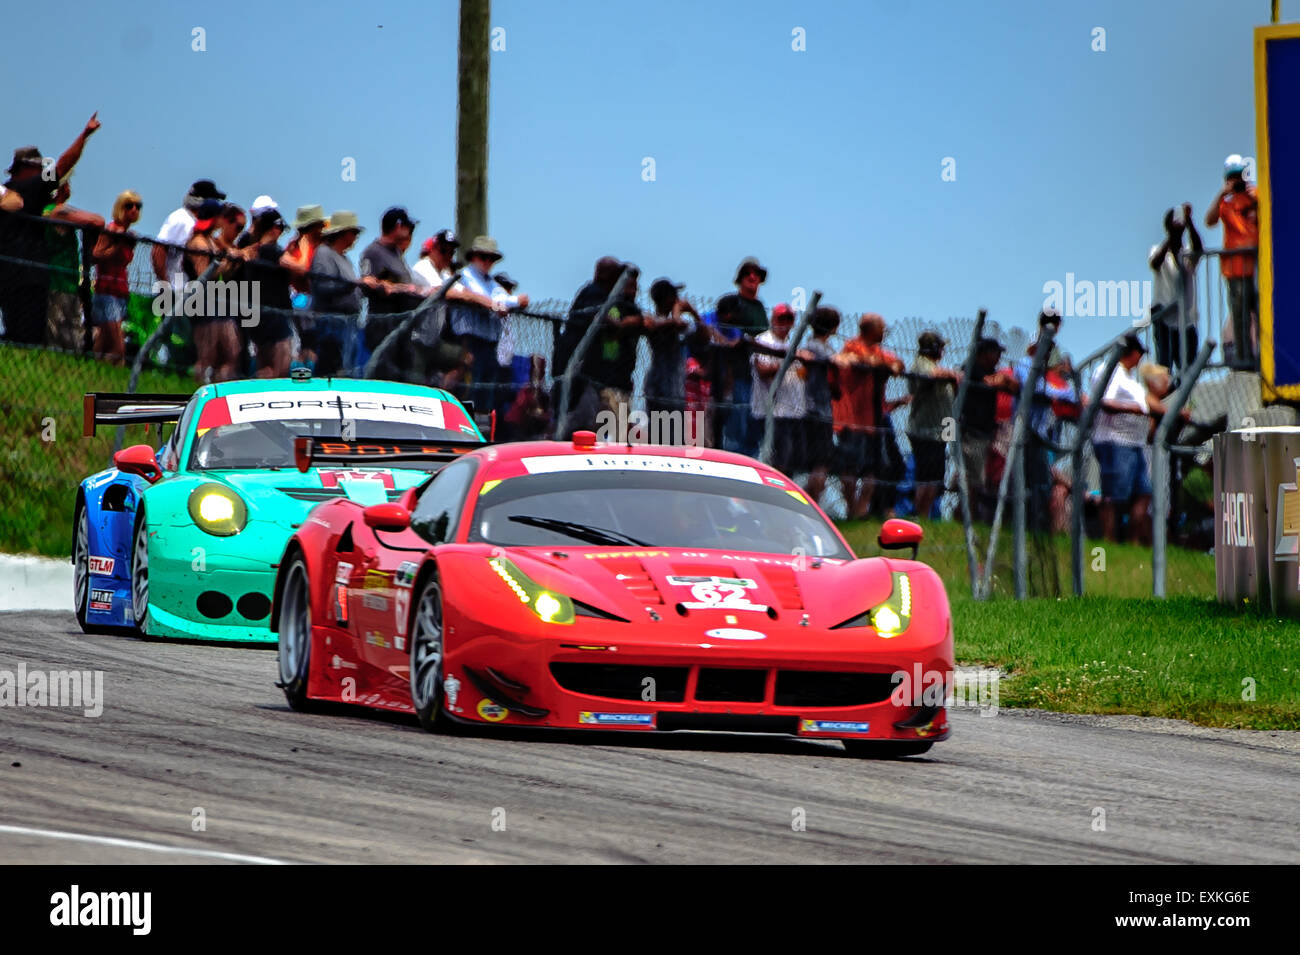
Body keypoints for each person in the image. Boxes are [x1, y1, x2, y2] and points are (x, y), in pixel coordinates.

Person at [0, 112, 101, 343]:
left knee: (15, 329)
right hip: (29, 275)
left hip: (7, 272)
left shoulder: (6, 192)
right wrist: (84, 135)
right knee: (29, 335)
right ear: (27, 168)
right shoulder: (31, 188)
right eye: (38, 167)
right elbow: (63, 166)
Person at [832, 313, 904, 520]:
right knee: (850, 466)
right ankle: (852, 508)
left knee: (875, 466)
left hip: (873, 420)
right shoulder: (852, 347)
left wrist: (887, 365)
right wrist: (883, 364)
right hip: (851, 420)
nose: (884, 333)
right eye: (882, 328)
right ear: (871, 329)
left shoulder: (877, 351)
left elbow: (897, 364)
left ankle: (862, 509)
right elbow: (866, 360)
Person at [447, 236, 528, 413]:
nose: (487, 261)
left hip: (489, 343)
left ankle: (484, 424)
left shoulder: (491, 282)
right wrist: (502, 303)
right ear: (474, 256)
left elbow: (503, 300)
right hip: (469, 340)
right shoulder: (464, 276)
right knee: (471, 386)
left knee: (487, 388)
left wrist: (513, 301)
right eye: (483, 257)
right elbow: (481, 297)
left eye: (491, 258)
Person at [1092, 333, 1155, 544]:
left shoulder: (1127, 378)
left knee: (1144, 493)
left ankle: (1133, 541)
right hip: (1114, 441)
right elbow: (1105, 402)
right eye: (1140, 355)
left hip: (1133, 443)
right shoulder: (1108, 371)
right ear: (1133, 353)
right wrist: (1136, 410)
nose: (1140, 360)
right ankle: (1109, 541)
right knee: (1113, 496)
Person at [554, 256, 624, 435]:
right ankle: (563, 439)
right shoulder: (594, 293)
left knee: (588, 413)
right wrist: (617, 324)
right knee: (580, 415)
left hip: (588, 368)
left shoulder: (603, 294)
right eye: (615, 273)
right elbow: (598, 318)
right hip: (578, 364)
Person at [1205, 154, 1259, 369]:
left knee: (1262, 312)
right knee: (1240, 316)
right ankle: (1244, 358)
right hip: (1235, 270)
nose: (1237, 180)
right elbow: (1209, 221)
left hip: (1257, 267)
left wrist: (1251, 196)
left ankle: (1265, 356)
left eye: (1239, 176)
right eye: (1232, 177)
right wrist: (1221, 193)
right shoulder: (1226, 203)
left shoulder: (1255, 195)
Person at [360, 206, 426, 378]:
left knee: (403, 374)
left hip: (401, 325)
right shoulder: (373, 252)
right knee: (385, 373)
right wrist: (405, 289)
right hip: (382, 325)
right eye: (405, 226)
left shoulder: (396, 253)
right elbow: (372, 284)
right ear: (397, 227)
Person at [959, 337, 1018, 523]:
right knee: (974, 478)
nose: (999, 357)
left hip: (986, 432)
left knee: (982, 478)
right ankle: (968, 515)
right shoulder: (970, 367)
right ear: (985, 353)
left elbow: (1014, 386)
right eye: (996, 353)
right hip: (971, 431)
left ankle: (971, 514)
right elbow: (992, 382)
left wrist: (1002, 379)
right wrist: (1000, 380)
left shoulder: (992, 372)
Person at [715, 257, 770, 455]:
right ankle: (732, 462)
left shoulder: (760, 308)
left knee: (754, 424)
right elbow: (723, 330)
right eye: (747, 273)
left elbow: (764, 337)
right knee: (736, 422)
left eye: (757, 274)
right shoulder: (731, 302)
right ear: (740, 278)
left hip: (757, 375)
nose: (752, 277)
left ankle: (751, 463)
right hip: (735, 371)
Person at [43, 181, 104, 351]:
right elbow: (97, 221)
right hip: (61, 283)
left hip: (56, 281)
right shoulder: (58, 211)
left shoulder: (45, 210)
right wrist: (93, 246)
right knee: (66, 338)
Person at [907, 330, 960, 521]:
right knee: (926, 477)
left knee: (936, 477)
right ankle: (919, 515)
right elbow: (932, 375)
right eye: (941, 348)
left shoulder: (936, 366)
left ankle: (926, 515)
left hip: (942, 429)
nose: (943, 352)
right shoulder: (920, 364)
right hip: (926, 430)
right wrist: (953, 375)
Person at [309, 210, 366, 376]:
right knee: (330, 366)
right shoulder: (324, 253)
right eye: (353, 232)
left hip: (348, 323)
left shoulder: (345, 259)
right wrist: (352, 285)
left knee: (345, 366)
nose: (356, 237)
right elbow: (323, 287)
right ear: (343, 233)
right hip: (331, 323)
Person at [238, 206, 294, 377]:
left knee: (265, 362)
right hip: (273, 315)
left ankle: (255, 389)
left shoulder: (254, 249)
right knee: (281, 367)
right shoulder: (271, 250)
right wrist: (304, 245)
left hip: (258, 313)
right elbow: (299, 266)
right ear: (274, 228)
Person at [751, 303, 806, 474]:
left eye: (789, 319)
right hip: (773, 412)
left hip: (792, 411)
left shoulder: (790, 344)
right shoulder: (765, 340)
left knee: (790, 463)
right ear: (773, 319)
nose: (784, 324)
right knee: (778, 463)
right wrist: (787, 360)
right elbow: (763, 370)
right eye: (781, 318)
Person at [1148, 205, 1202, 372]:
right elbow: (1155, 263)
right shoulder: (1158, 250)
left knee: (1188, 366)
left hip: (1186, 317)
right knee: (1164, 364)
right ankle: (1167, 395)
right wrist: (1171, 237)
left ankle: (1186, 396)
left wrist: (1190, 223)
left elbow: (1199, 250)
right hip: (1163, 314)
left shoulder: (1187, 253)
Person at [91, 189, 142, 363]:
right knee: (118, 345)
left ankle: (92, 371)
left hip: (120, 291)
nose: (134, 210)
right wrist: (117, 245)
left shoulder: (128, 234)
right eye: (129, 206)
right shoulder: (112, 230)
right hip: (107, 290)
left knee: (104, 340)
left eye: (137, 206)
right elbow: (96, 254)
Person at [643, 277, 698, 437]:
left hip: (676, 389)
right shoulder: (653, 321)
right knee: (659, 435)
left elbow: (703, 334)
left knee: (676, 436)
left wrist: (693, 312)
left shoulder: (677, 323)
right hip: (659, 386)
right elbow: (675, 324)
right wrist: (677, 311)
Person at [798, 306, 841, 502]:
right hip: (815, 410)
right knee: (820, 462)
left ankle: (808, 500)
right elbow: (835, 360)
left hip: (821, 409)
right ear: (833, 327)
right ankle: (808, 502)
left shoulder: (820, 347)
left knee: (822, 462)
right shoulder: (815, 347)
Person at [152, 179, 225, 292]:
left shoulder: (197, 222)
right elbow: (158, 250)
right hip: (175, 288)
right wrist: (165, 284)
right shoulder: (180, 218)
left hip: (188, 289)